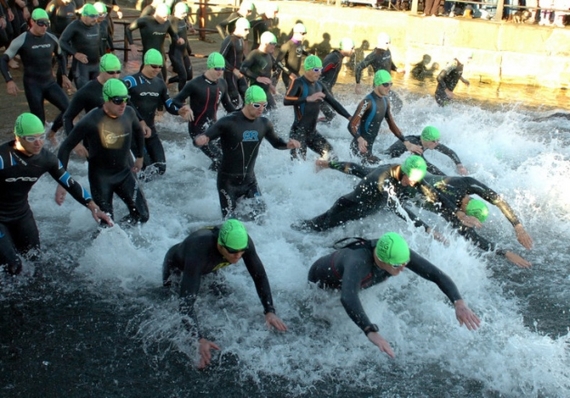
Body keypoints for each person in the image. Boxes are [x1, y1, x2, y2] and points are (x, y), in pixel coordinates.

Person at [308, 232, 480, 358]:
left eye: (405, 263)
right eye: (398, 265)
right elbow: (348, 296)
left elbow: (437, 275)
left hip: (355, 280)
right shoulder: (358, 263)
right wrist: (370, 331)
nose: (403, 268)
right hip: (322, 283)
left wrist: (459, 302)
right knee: (321, 319)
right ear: (382, 260)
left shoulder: (397, 253)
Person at [162, 219, 288, 369]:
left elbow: (259, 275)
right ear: (220, 245)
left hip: (211, 265)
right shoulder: (198, 249)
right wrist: (198, 339)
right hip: (179, 267)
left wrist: (269, 310)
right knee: (171, 300)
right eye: (233, 252)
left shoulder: (242, 242)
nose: (238, 256)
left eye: (242, 251)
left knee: (224, 296)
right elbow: (186, 303)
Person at [0, 113, 112, 275]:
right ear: (18, 137)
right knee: (13, 266)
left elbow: (69, 182)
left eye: (41, 136)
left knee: (35, 261)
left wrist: (93, 206)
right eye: (31, 138)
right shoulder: (3, 158)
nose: (38, 143)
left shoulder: (46, 159)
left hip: (21, 214)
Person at [194, 86, 300, 220]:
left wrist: (287, 145)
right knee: (230, 223)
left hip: (250, 182)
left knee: (263, 218)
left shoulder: (264, 123)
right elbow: (204, 137)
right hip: (228, 183)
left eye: (264, 105)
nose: (261, 108)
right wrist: (200, 140)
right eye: (256, 105)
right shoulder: (228, 122)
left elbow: (276, 143)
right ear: (247, 102)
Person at [57, 79, 150, 225]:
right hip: (101, 179)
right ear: (106, 99)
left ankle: (122, 238)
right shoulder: (91, 120)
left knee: (142, 216)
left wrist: (140, 157)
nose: (123, 104)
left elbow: (138, 131)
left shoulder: (129, 113)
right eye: (118, 100)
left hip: (124, 173)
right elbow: (65, 148)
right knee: (107, 225)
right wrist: (62, 182)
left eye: (126, 99)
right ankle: (103, 239)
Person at [293, 155, 458, 235]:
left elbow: (357, 168)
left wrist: (457, 213)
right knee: (315, 229)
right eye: (413, 180)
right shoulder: (382, 179)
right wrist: (427, 229)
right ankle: (289, 233)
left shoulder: (405, 173)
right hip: (347, 208)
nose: (415, 184)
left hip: (366, 212)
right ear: (405, 172)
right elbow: (396, 208)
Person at [421, 175, 533, 268]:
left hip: (423, 177)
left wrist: (518, 227)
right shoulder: (449, 209)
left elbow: (499, 201)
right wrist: (506, 253)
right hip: (413, 193)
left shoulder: (467, 183)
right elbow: (473, 238)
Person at [0, 8, 72, 139]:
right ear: (32, 22)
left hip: (50, 83)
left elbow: (61, 56)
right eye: (40, 23)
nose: (44, 27)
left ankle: (52, 133)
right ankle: (38, 148)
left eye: (47, 23)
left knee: (69, 109)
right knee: (39, 121)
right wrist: (9, 81)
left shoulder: (51, 38)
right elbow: (3, 60)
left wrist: (64, 75)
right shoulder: (22, 40)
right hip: (33, 85)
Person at [124, 49, 191, 178]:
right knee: (146, 171)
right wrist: (140, 120)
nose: (157, 69)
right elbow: (121, 98)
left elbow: (168, 104)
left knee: (160, 168)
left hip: (151, 131)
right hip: (134, 132)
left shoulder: (159, 84)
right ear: (145, 63)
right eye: (154, 66)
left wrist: (179, 111)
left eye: (160, 66)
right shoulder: (131, 81)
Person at [173, 52, 236, 171]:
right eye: (217, 68)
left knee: (231, 153)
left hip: (213, 127)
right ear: (209, 66)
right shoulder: (195, 84)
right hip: (197, 129)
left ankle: (210, 177)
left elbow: (228, 106)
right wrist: (185, 107)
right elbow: (175, 100)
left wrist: (244, 114)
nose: (220, 72)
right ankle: (208, 181)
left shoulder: (222, 83)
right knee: (219, 158)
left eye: (222, 69)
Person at [284, 55, 352, 160]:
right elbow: (286, 100)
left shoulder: (319, 85)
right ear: (307, 69)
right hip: (298, 133)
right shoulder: (298, 83)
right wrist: (308, 98)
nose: (319, 73)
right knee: (298, 166)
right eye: (316, 70)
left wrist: (349, 117)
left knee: (331, 156)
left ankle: (318, 171)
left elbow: (333, 102)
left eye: (320, 69)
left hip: (312, 133)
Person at [348, 70, 422, 165]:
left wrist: (406, 142)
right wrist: (359, 139)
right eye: (386, 84)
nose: (389, 87)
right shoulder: (367, 102)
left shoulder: (385, 102)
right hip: (358, 149)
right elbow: (351, 125)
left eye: (391, 84)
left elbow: (391, 125)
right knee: (383, 168)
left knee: (385, 167)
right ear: (378, 84)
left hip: (368, 150)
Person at [62, 53, 123, 158]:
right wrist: (74, 143)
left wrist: (141, 122)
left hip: (117, 138)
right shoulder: (87, 90)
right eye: (111, 73)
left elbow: (131, 109)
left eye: (118, 72)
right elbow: (67, 117)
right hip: (94, 141)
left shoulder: (121, 86)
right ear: (101, 70)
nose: (115, 76)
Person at [126, 3, 181, 81]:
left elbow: (173, 34)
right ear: (157, 13)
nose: (165, 19)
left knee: (162, 79)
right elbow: (128, 29)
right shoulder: (145, 21)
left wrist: (178, 39)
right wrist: (132, 44)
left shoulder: (167, 23)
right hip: (148, 55)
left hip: (160, 55)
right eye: (164, 17)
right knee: (145, 77)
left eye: (167, 17)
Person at [384, 125, 468, 175]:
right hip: (385, 159)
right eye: (434, 141)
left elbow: (449, 151)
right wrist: (446, 177)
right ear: (426, 139)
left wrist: (459, 166)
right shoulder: (415, 145)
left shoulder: (427, 141)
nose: (436, 143)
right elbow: (427, 166)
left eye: (438, 140)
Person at [354, 33, 404, 113]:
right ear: (384, 43)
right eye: (389, 42)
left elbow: (389, 62)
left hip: (387, 84)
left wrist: (396, 69)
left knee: (392, 105)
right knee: (397, 103)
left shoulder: (387, 51)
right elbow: (359, 68)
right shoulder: (373, 55)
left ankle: (388, 120)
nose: (390, 44)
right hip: (379, 86)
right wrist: (358, 84)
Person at [59, 4, 101, 90]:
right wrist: (75, 53)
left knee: (97, 93)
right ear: (84, 16)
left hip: (96, 65)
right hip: (81, 67)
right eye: (92, 16)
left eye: (96, 16)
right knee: (84, 93)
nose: (95, 19)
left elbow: (99, 44)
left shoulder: (96, 25)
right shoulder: (74, 26)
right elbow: (61, 41)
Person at [240, 30, 280, 111]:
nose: (274, 46)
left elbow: (274, 70)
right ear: (265, 43)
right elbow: (243, 68)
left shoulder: (269, 55)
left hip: (265, 90)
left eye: (275, 44)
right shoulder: (254, 54)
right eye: (272, 44)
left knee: (274, 112)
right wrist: (257, 78)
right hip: (256, 91)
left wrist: (271, 85)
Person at [318, 37, 355, 124]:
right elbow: (320, 70)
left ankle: (321, 127)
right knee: (331, 115)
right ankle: (315, 126)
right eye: (352, 48)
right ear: (345, 47)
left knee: (334, 113)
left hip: (326, 89)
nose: (353, 51)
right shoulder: (334, 58)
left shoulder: (338, 57)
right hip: (321, 89)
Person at [219, 17, 250, 107]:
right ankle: (229, 118)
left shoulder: (241, 39)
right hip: (230, 74)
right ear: (238, 27)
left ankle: (245, 118)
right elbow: (221, 58)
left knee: (247, 96)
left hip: (239, 73)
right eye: (246, 29)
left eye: (248, 30)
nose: (247, 32)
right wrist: (233, 70)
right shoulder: (229, 40)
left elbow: (241, 56)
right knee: (234, 99)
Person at [167, 1, 195, 92]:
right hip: (175, 52)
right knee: (183, 76)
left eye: (186, 13)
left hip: (184, 52)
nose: (185, 14)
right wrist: (177, 38)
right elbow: (169, 32)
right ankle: (180, 99)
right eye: (183, 13)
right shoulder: (171, 20)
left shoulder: (183, 19)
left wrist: (190, 28)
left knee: (189, 76)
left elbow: (185, 27)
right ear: (176, 11)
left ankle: (169, 80)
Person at [274, 22, 309, 89]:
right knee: (292, 94)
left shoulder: (299, 44)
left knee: (302, 91)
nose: (304, 36)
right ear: (296, 32)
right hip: (288, 75)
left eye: (305, 34)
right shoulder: (287, 45)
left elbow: (301, 51)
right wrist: (289, 73)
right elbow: (278, 62)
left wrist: (310, 55)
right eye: (303, 33)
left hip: (296, 74)